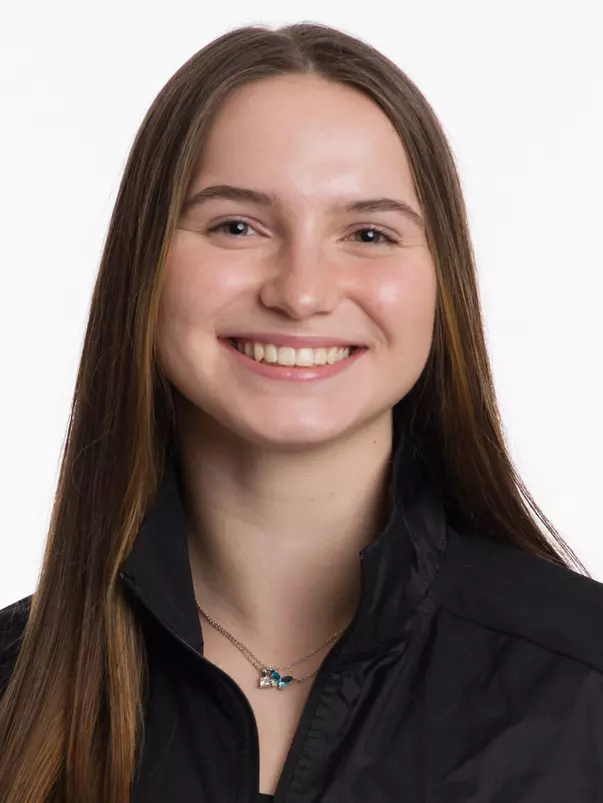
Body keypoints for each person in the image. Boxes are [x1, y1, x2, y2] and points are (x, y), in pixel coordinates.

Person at [1, 20, 602, 803]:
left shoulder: (583, 680)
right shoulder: (16, 694)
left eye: (367, 232)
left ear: (440, 283)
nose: (301, 291)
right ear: (142, 268)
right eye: (236, 226)